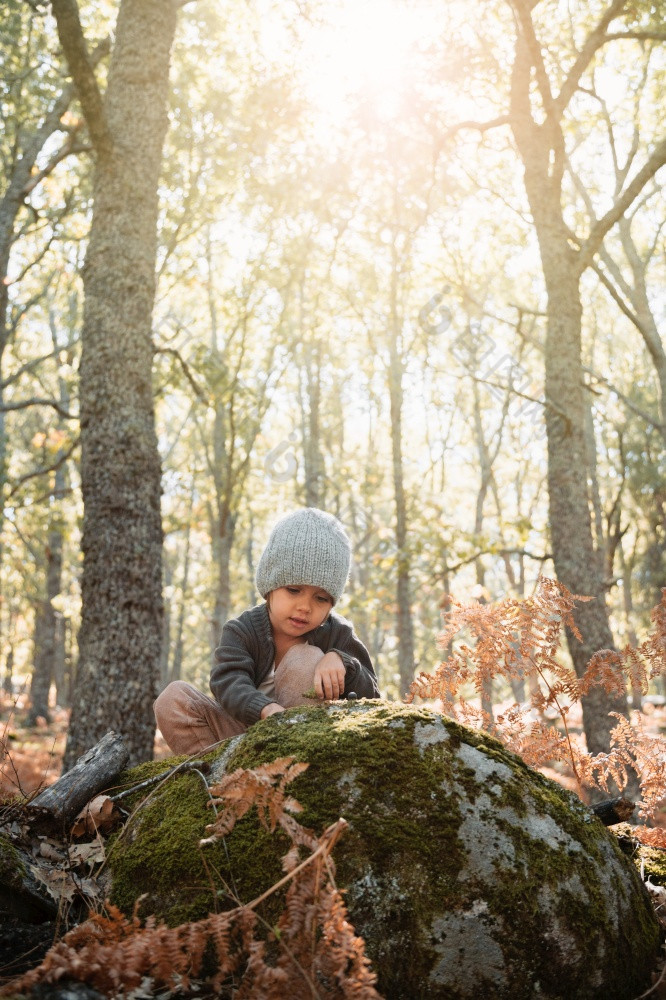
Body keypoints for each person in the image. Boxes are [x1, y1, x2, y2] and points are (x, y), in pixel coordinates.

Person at [154, 507, 380, 755]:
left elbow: (373, 697)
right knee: (171, 698)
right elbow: (227, 682)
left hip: (308, 745)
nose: (305, 607)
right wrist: (264, 708)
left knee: (304, 659)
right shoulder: (242, 630)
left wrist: (343, 661)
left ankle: (292, 770)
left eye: (321, 598)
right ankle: (216, 777)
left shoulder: (338, 633)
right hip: (241, 739)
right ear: (270, 585)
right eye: (294, 590)